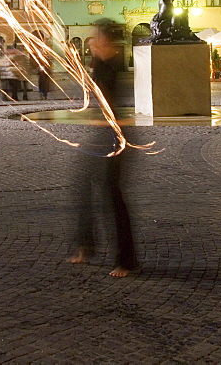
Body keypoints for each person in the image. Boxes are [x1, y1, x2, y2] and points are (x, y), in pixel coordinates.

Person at [68, 19, 137, 278]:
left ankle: (126, 261)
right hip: (99, 134)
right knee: (82, 187)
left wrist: (106, 118)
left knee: (113, 196)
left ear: (107, 40)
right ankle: (86, 246)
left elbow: (110, 101)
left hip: (116, 137)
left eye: (96, 38)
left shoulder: (114, 64)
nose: (92, 42)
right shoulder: (99, 63)